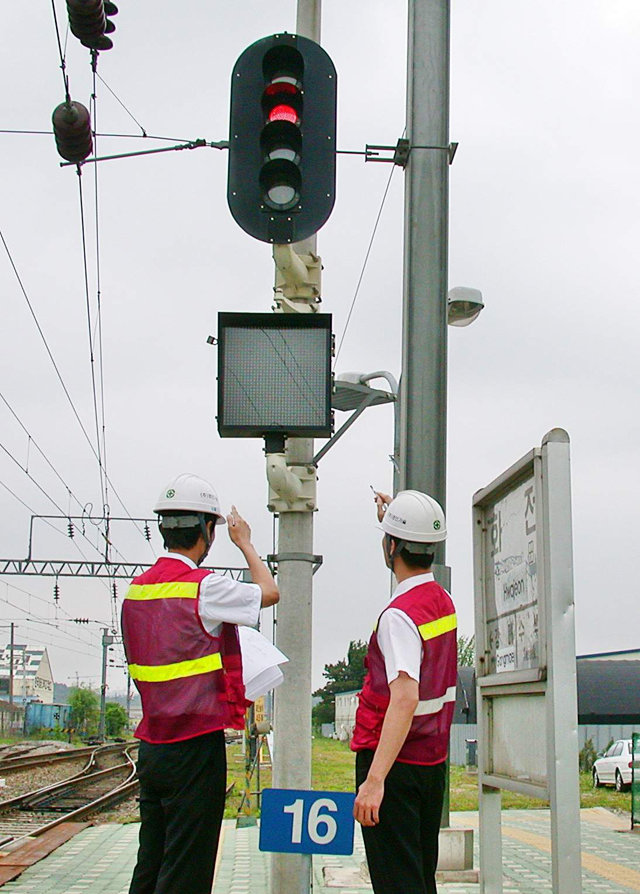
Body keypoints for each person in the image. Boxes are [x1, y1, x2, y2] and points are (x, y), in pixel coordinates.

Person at [121, 473, 279, 894]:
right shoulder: (204, 587)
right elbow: (269, 591)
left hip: (152, 746)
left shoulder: (135, 592)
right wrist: (245, 542)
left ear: (163, 528)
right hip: (195, 747)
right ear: (208, 531)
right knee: (187, 868)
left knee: (151, 859)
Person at [351, 489, 457, 894]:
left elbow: (405, 696)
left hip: (394, 767)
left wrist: (375, 780)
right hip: (431, 766)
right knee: (418, 876)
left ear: (391, 545)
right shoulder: (441, 601)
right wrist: (397, 514)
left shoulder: (398, 617)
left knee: (397, 882)